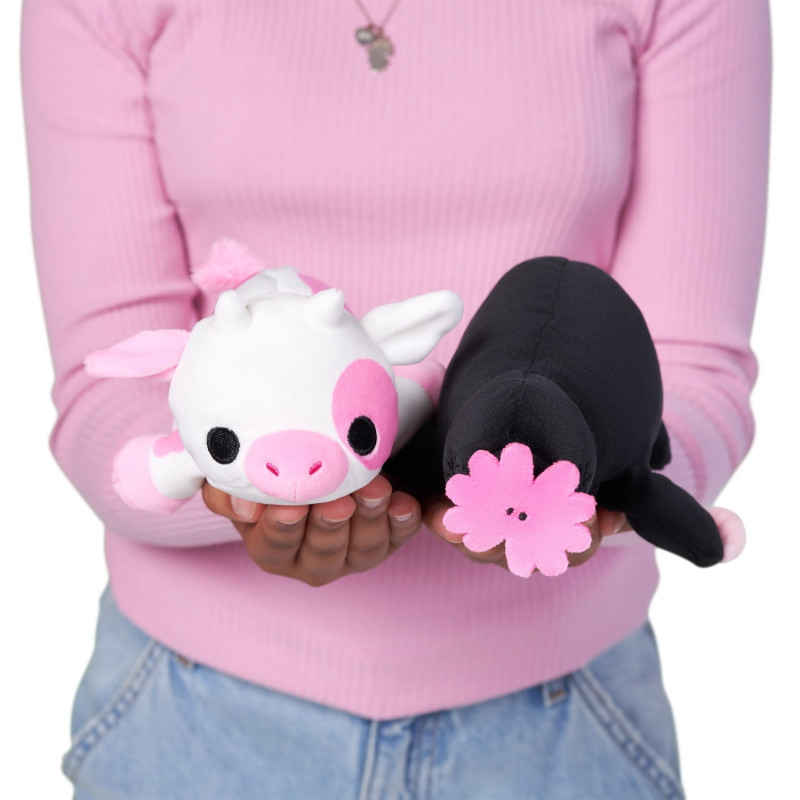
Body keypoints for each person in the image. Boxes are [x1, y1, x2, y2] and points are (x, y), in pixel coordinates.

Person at [21, 0, 770, 798]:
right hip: (191, 718)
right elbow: (106, 389)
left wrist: (588, 490)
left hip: (566, 716)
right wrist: (254, 490)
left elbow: (692, 370)